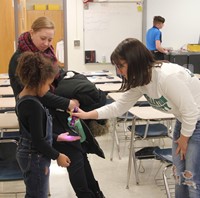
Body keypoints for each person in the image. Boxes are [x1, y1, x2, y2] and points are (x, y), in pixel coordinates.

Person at [73, 38, 200, 198]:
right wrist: (86, 114)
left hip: (195, 122)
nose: (118, 71)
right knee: (179, 175)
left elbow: (191, 112)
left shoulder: (167, 77)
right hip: (184, 122)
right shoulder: (142, 80)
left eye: (121, 66)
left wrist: (184, 138)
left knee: (193, 179)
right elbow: (118, 106)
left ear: (136, 61)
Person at [8, 16, 105, 198]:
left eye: (50, 39)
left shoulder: (46, 55)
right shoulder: (21, 61)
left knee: (79, 152)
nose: (46, 43)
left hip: (52, 116)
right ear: (31, 33)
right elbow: (37, 94)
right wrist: (67, 103)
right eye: (42, 38)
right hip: (42, 117)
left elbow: (54, 80)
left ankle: (95, 193)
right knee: (74, 158)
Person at [15, 51, 72, 198]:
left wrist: (56, 137)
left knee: (34, 192)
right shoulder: (32, 105)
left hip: (28, 154)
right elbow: (38, 141)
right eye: (48, 84)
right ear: (37, 82)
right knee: (38, 194)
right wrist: (57, 155)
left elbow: (34, 132)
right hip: (35, 158)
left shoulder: (22, 97)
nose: (49, 89)